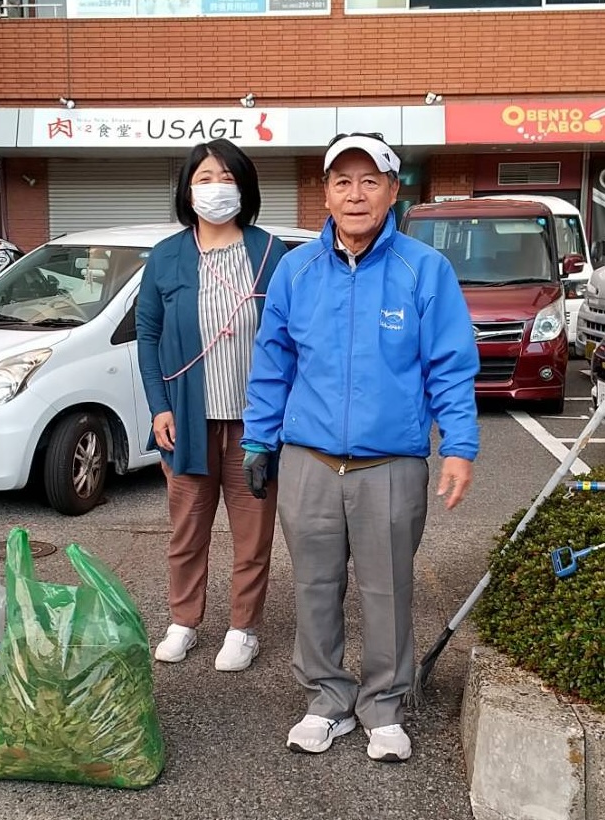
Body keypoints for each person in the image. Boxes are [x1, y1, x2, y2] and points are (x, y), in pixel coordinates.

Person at [241, 133, 479, 760]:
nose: (355, 194)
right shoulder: (296, 270)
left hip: (391, 463)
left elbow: (450, 367)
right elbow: (273, 364)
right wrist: (259, 438)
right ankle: (326, 699)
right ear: (324, 192)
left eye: (370, 181)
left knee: (387, 589)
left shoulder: (424, 270)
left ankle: (384, 706)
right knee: (314, 587)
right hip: (309, 460)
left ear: (393, 191)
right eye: (342, 181)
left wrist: (459, 445)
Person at [136, 138, 288, 672]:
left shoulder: (270, 253)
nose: (216, 187)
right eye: (204, 178)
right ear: (187, 190)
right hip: (188, 421)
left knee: (253, 536)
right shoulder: (166, 256)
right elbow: (148, 335)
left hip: (255, 426)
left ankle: (243, 628)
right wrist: (160, 406)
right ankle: (184, 620)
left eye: (227, 177)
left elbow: (291, 339)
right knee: (186, 531)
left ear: (244, 188)